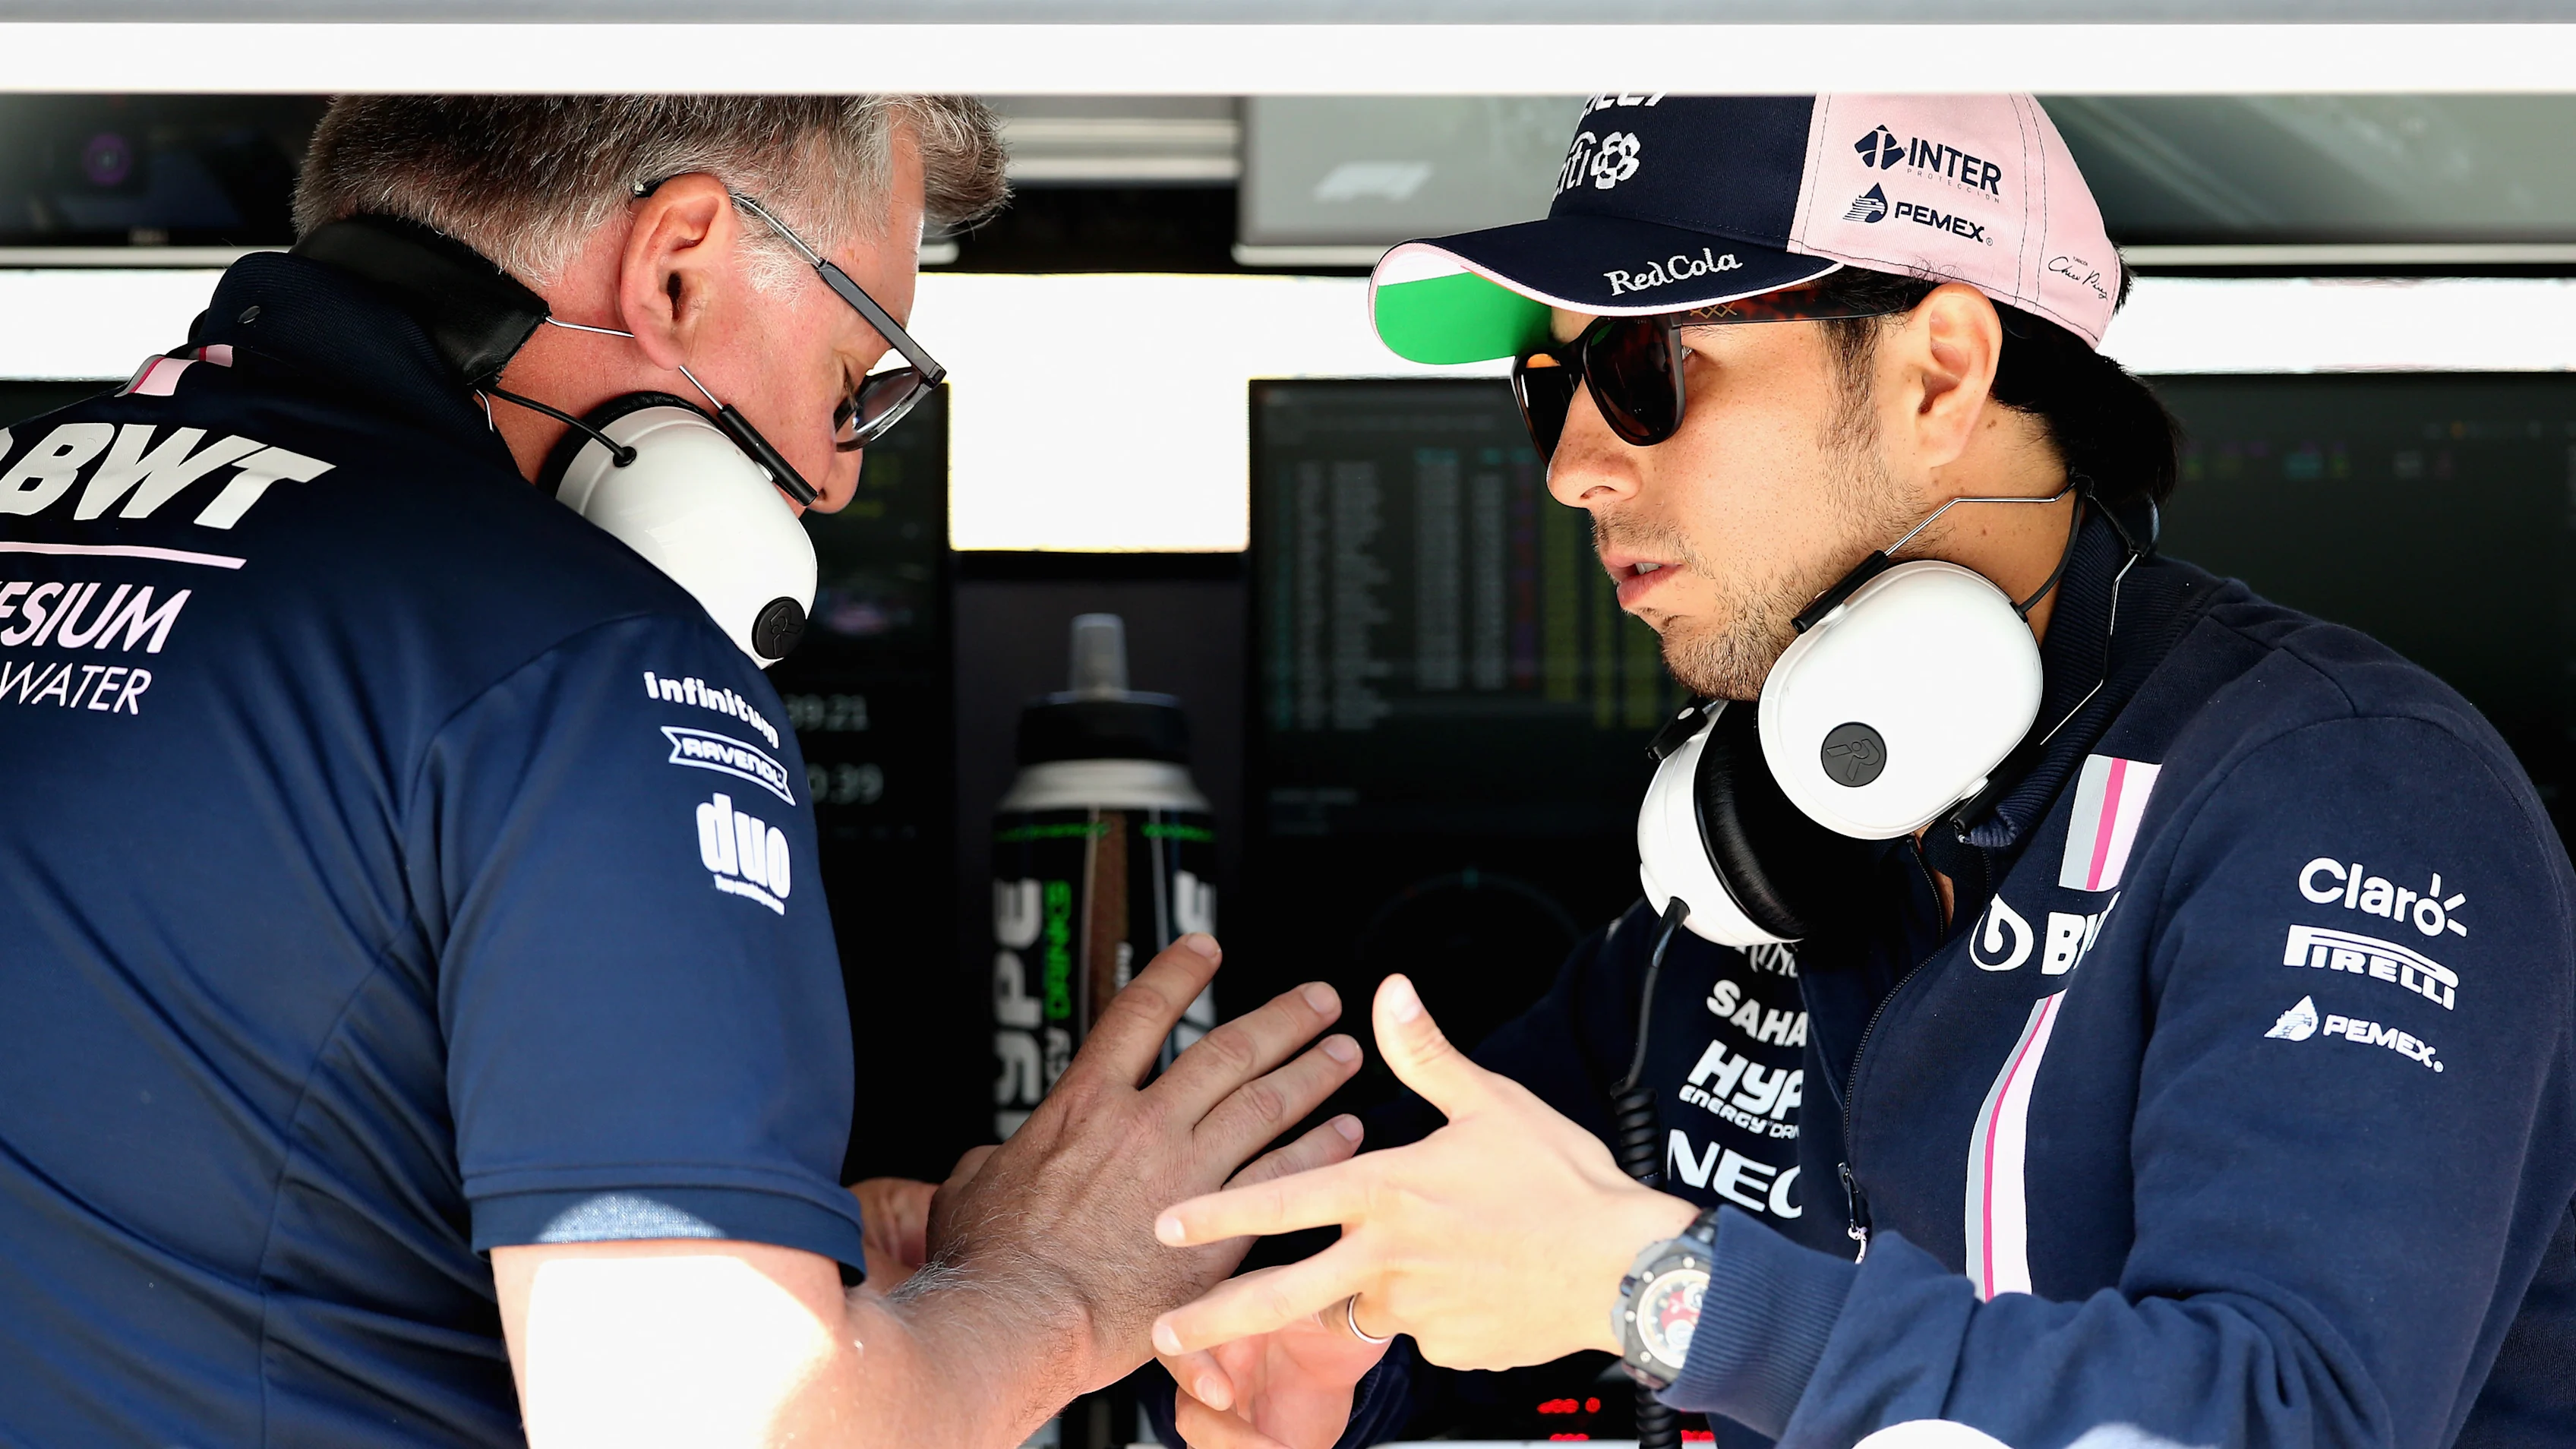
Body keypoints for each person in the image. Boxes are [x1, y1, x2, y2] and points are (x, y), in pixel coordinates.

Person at [1149, 93, 2576, 1449]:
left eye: (1644, 370)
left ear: (1939, 375)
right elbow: (1428, 1222)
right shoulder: (1759, 859)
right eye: (1548, 386)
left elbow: (2288, 1416)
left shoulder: (2349, 792)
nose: (1572, 467)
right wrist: (1316, 1362)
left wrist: (1663, 1291)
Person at [0, 94, 1368, 1447]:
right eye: (854, 378)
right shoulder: (591, 663)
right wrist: (1055, 1286)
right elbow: (715, 1428)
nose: (832, 481)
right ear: (678, 264)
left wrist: (816, 1297)